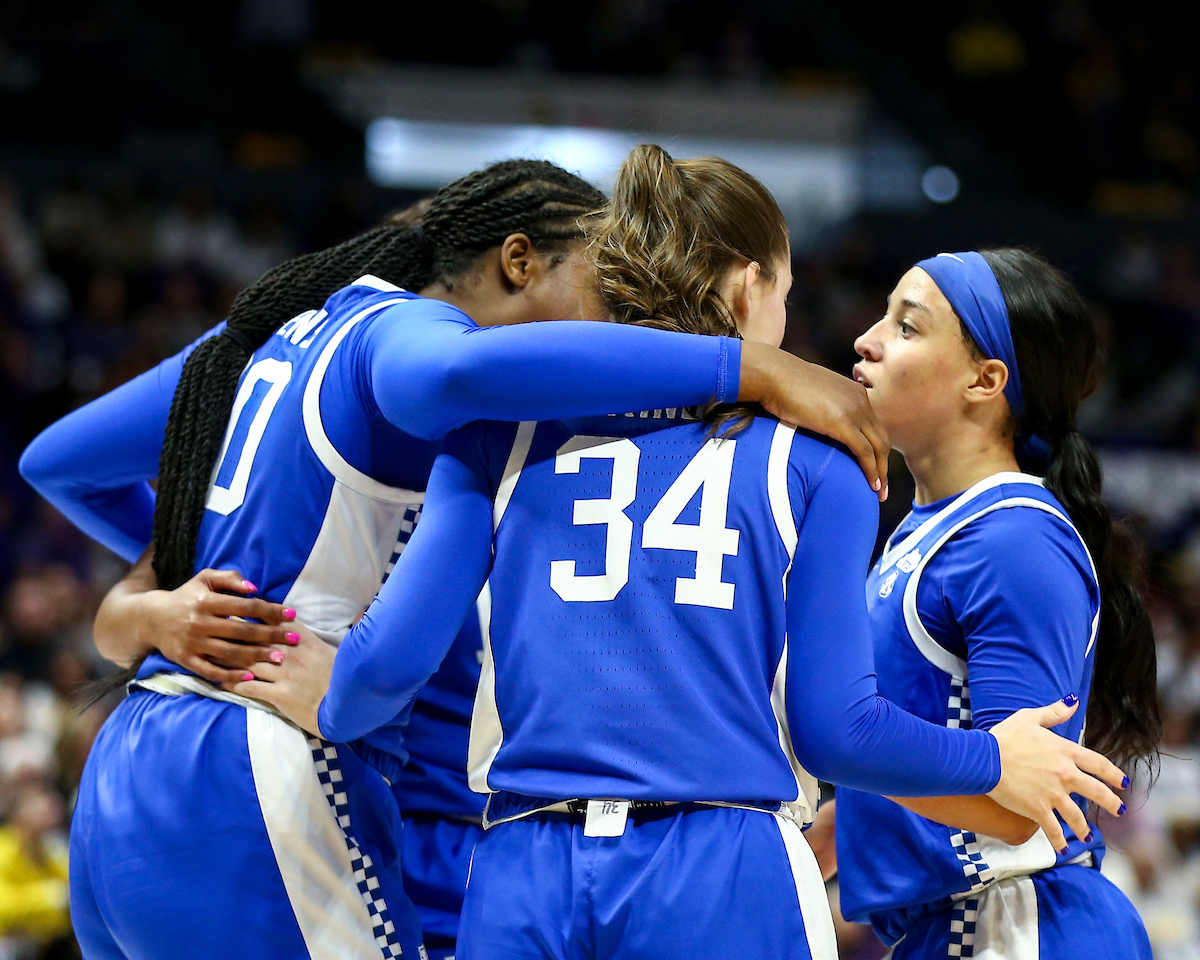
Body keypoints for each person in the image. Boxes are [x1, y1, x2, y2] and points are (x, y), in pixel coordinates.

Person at [244, 147, 1127, 960]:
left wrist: (321, 679)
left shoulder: (499, 436)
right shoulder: (823, 458)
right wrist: (989, 761)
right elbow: (836, 728)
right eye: (783, 293)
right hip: (725, 866)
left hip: (524, 864)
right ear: (749, 287)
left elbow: (379, 672)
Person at [18, 159, 892, 960]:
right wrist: (748, 368)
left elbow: (60, 463)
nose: (610, 329)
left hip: (133, 766)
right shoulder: (407, 343)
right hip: (265, 764)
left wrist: (149, 602)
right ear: (519, 263)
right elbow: (451, 378)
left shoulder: (273, 338)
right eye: (601, 289)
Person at [828, 248, 1160, 958]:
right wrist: (803, 841)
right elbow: (928, 770)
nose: (868, 340)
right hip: (951, 925)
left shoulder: (1011, 539)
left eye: (907, 327)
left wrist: (850, 750)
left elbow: (1019, 809)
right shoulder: (924, 532)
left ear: (986, 381)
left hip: (1020, 925)